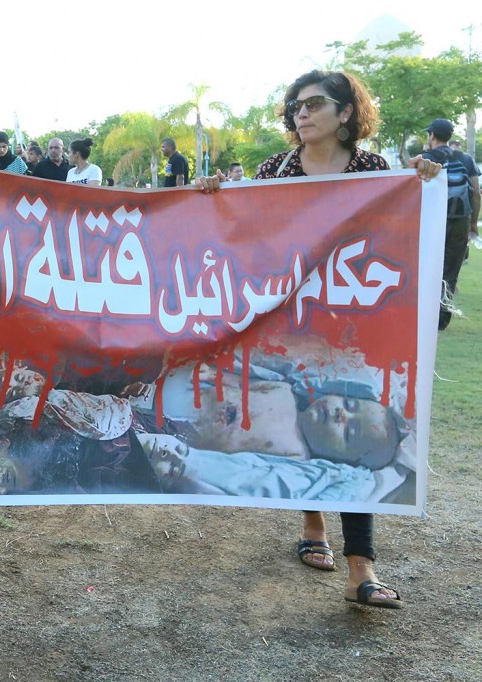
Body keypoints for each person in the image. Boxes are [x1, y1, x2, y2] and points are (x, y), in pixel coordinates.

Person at [196, 69, 441, 610]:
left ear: (346, 112)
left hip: (350, 321)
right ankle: (313, 526)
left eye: (312, 105)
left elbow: (397, 226)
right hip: (284, 319)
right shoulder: (274, 170)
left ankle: (362, 569)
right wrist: (213, 197)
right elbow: (241, 228)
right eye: (294, 107)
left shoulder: (373, 170)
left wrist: (423, 178)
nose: (300, 115)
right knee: (303, 429)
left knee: (351, 440)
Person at [421, 118, 480, 330]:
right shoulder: (465, 159)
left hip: (432, 221)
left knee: (428, 268)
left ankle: (425, 315)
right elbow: (476, 194)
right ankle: (442, 319)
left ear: (432, 135)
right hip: (459, 221)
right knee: (451, 271)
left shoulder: (425, 159)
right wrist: (472, 223)